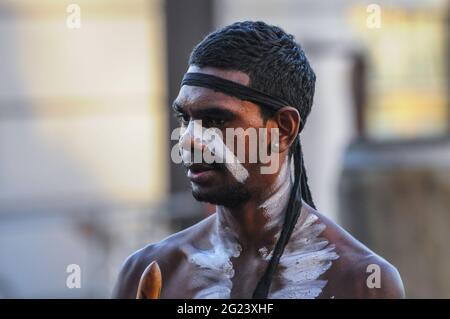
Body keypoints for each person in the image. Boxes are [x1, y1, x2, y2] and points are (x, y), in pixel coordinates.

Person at [112, 21, 404, 299]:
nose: (188, 139)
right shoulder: (149, 271)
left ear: (283, 129)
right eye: (185, 118)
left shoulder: (362, 282)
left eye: (215, 120)